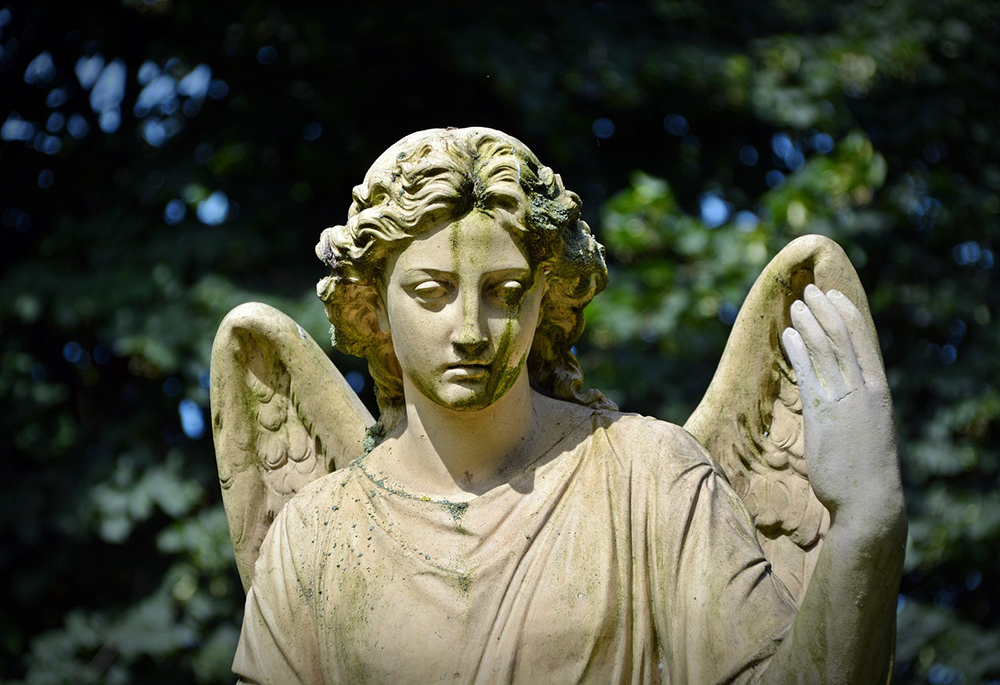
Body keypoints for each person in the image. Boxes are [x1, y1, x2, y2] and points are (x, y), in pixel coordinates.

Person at [232, 127, 906, 683]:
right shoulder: (316, 534)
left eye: (505, 289)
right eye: (433, 290)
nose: (469, 328)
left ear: (546, 296)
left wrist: (865, 523)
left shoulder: (651, 479)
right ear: (372, 308)